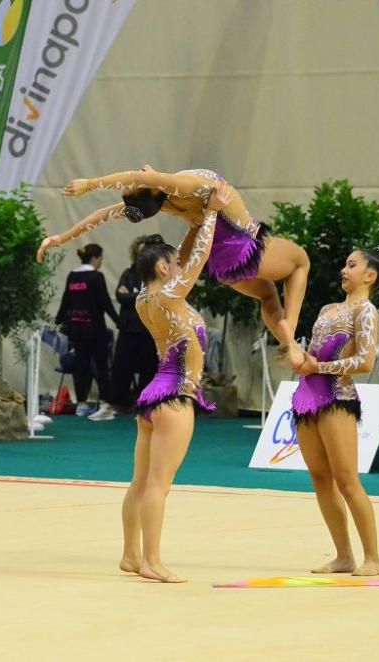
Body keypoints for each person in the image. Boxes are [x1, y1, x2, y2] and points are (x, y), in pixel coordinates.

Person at [39, 166, 311, 369]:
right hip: (244, 246)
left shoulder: (165, 204)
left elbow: (102, 216)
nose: (140, 171)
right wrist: (90, 184)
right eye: (136, 182)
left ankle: (292, 346)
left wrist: (61, 238)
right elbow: (140, 177)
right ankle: (291, 332)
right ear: (153, 188)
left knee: (267, 295)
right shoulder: (180, 185)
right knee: (300, 262)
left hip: (221, 265)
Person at [117, 181, 229, 584]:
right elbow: (196, 262)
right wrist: (213, 215)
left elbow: (186, 255)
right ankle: (151, 560)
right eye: (173, 264)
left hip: (153, 394)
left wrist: (195, 223)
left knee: (141, 482)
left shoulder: (147, 299)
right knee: (158, 486)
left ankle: (131, 555)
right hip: (176, 396)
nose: (181, 266)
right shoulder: (169, 298)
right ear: (163, 268)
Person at [290, 247, 379, 577]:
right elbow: (316, 352)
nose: (343, 270)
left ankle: (372, 557)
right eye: (345, 264)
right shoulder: (328, 308)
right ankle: (343, 555)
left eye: (352, 265)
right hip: (307, 397)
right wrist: (301, 358)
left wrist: (320, 365)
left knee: (347, 480)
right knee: (320, 479)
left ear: (370, 275)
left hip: (337, 398)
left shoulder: (366, 311)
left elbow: (365, 361)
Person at [89, 235, 158, 421]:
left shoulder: (158, 274)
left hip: (149, 329)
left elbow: (155, 296)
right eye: (140, 251)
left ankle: (144, 408)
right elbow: (121, 297)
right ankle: (111, 406)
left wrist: (135, 295)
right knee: (121, 368)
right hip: (129, 327)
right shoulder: (129, 273)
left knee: (148, 369)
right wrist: (141, 296)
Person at [54, 243, 120, 418]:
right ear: (95, 258)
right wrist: (119, 321)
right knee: (101, 366)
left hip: (77, 328)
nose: (101, 262)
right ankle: (105, 403)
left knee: (80, 366)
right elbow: (105, 303)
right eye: (101, 259)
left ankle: (81, 404)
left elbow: (65, 301)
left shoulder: (72, 276)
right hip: (95, 329)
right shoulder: (96, 277)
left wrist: (58, 320)